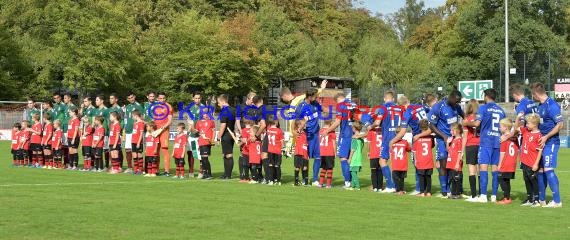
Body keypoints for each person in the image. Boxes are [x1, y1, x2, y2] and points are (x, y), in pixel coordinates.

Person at [463, 89, 505, 203]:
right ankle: (494, 196)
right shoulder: (501, 110)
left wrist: (467, 123)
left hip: (486, 141)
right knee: (495, 169)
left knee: (483, 168)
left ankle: (483, 196)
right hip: (497, 141)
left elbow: (476, 124)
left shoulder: (483, 108)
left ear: (486, 96)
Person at [530, 82, 563, 208]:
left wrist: (546, 137)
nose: (532, 97)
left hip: (551, 142)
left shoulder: (552, 105)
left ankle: (557, 201)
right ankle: (542, 200)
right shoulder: (540, 106)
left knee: (549, 169)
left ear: (536, 94)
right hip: (542, 142)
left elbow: (560, 125)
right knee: (541, 171)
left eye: (533, 95)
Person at [427, 89, 464, 197]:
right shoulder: (438, 107)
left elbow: (464, 116)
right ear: (451, 97)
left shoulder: (456, 107)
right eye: (455, 101)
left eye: (458, 102)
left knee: (456, 164)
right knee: (444, 163)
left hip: (455, 139)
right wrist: (443, 136)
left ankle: (457, 189)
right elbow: (431, 125)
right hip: (442, 139)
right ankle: (444, 189)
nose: (456, 103)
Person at [391, 95, 429, 195]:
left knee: (416, 162)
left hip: (418, 137)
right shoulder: (420, 106)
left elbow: (402, 132)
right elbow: (429, 111)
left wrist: (392, 141)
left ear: (402, 105)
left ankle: (419, 189)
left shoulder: (407, 112)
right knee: (426, 163)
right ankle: (426, 189)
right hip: (428, 136)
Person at [368, 90, 402, 193]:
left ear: (384, 99)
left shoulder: (383, 108)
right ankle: (399, 186)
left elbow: (377, 122)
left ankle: (390, 185)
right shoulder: (399, 108)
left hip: (388, 136)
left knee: (382, 161)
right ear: (393, 99)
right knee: (396, 161)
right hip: (398, 135)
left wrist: (371, 126)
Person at [321, 92, 354, 189]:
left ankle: (348, 182)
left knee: (343, 158)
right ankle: (352, 180)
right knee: (350, 158)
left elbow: (337, 121)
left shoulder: (341, 105)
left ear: (338, 100)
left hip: (345, 135)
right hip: (353, 133)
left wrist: (327, 130)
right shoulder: (353, 104)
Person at [294, 89, 323, 186]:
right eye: (315, 96)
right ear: (309, 96)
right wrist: (295, 132)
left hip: (316, 134)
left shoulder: (316, 103)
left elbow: (322, 110)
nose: (316, 97)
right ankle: (304, 179)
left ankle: (315, 179)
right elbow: (296, 121)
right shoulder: (301, 107)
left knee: (318, 157)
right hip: (306, 135)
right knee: (304, 158)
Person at [514, 113, 543, 207]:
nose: (526, 125)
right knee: (526, 180)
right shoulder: (526, 131)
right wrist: (518, 118)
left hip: (532, 162)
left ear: (535, 124)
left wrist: (536, 164)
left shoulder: (539, 136)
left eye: (528, 123)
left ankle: (537, 200)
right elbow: (515, 129)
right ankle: (530, 199)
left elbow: (540, 151)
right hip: (524, 161)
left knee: (533, 181)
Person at [462, 99, 481, 202]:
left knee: (471, 171)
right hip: (481, 145)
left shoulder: (466, 119)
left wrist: (461, 151)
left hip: (470, 146)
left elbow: (464, 137)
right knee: (480, 171)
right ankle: (481, 194)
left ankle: (474, 195)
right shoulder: (480, 117)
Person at [497, 118, 518, 205]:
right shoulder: (513, 137)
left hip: (506, 162)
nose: (499, 128)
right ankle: (507, 197)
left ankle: (506, 198)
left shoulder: (503, 138)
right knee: (506, 180)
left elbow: (502, 153)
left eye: (500, 126)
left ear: (505, 127)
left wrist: (499, 164)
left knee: (501, 179)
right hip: (512, 162)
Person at [217, 94, 237, 179]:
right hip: (232, 134)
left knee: (228, 155)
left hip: (226, 135)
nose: (218, 105)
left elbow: (223, 125)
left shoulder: (224, 111)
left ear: (223, 101)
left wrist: (218, 137)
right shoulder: (234, 110)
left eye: (219, 102)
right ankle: (226, 174)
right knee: (226, 154)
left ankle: (228, 175)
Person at [153, 92, 174, 176]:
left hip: (164, 131)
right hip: (156, 131)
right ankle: (156, 170)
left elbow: (169, 121)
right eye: (160, 98)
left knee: (164, 150)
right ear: (157, 99)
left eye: (164, 98)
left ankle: (167, 171)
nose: (162, 100)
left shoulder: (169, 107)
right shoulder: (155, 107)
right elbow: (154, 119)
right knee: (156, 150)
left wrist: (161, 129)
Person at [124, 92, 144, 174]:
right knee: (128, 150)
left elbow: (142, 118)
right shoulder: (127, 107)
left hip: (136, 132)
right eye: (129, 98)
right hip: (128, 131)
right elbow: (125, 118)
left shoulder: (138, 106)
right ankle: (130, 167)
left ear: (134, 97)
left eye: (132, 97)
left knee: (138, 152)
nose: (131, 99)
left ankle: (140, 169)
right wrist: (124, 130)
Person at [186, 91, 205, 178]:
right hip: (192, 134)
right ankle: (191, 171)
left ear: (201, 99)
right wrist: (189, 131)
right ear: (193, 98)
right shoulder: (190, 108)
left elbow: (204, 121)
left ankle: (201, 171)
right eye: (196, 98)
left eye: (199, 98)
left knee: (201, 152)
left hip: (199, 134)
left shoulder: (203, 108)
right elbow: (189, 120)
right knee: (191, 152)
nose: (197, 100)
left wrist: (200, 131)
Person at [413, 120, 434, 197]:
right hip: (429, 160)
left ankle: (422, 192)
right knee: (428, 177)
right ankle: (428, 192)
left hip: (420, 160)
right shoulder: (431, 137)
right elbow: (432, 146)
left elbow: (414, 150)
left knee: (421, 177)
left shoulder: (416, 138)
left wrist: (415, 160)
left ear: (419, 127)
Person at [193, 112, 215, 180]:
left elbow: (214, 131)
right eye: (204, 114)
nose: (205, 115)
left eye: (207, 114)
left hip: (207, 141)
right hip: (201, 142)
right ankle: (205, 173)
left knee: (205, 158)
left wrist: (213, 139)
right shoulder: (198, 122)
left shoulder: (211, 122)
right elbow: (195, 132)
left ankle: (209, 174)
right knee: (202, 159)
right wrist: (191, 125)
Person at [391, 127, 411, 195]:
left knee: (395, 178)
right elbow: (409, 149)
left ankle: (399, 190)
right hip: (403, 164)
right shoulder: (405, 142)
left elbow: (390, 151)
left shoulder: (392, 142)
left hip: (396, 164)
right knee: (401, 178)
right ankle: (401, 190)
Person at [93, 95, 110, 170]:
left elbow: (109, 121)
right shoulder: (96, 110)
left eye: (97, 100)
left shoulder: (106, 110)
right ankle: (98, 166)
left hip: (104, 133)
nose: (96, 101)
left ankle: (106, 166)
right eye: (96, 100)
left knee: (105, 149)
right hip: (97, 132)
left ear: (102, 101)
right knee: (97, 151)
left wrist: (108, 130)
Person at [446, 123, 464, 199]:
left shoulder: (459, 140)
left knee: (457, 179)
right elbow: (448, 150)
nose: (451, 131)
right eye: (451, 130)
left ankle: (457, 194)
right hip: (451, 163)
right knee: (453, 178)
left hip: (456, 164)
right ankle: (453, 193)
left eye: (453, 130)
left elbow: (460, 153)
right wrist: (447, 143)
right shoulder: (453, 140)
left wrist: (457, 163)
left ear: (458, 131)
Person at [265, 115, 284, 185]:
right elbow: (282, 142)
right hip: (277, 151)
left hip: (270, 150)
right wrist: (283, 148)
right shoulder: (279, 131)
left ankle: (271, 180)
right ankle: (278, 181)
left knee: (270, 165)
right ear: (276, 122)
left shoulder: (268, 129)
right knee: (277, 166)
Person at [318, 119, 336, 188]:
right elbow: (334, 143)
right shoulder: (331, 131)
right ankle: (328, 184)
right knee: (330, 168)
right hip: (329, 152)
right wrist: (335, 152)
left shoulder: (320, 131)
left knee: (323, 168)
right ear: (331, 122)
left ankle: (321, 183)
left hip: (322, 152)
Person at [347, 121, 364, 191]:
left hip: (354, 158)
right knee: (354, 171)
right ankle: (353, 186)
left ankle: (357, 186)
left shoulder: (354, 138)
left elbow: (353, 149)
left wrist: (349, 158)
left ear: (354, 128)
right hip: (359, 158)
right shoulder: (361, 139)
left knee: (353, 172)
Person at [292, 120, 309, 186]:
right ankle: (296, 182)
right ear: (298, 125)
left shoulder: (305, 132)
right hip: (298, 152)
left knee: (305, 167)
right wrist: (306, 120)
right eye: (301, 124)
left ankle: (305, 181)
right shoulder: (297, 132)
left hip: (304, 151)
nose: (303, 125)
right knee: (297, 167)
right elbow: (298, 126)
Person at [367, 123, 383, 192]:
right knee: (380, 171)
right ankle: (380, 187)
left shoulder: (371, 131)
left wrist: (368, 152)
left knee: (373, 171)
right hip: (381, 154)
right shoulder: (383, 130)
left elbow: (369, 143)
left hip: (373, 153)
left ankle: (375, 187)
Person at [131, 110, 145, 175]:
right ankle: (135, 169)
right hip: (133, 141)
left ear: (136, 116)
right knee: (134, 155)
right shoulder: (135, 123)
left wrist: (139, 142)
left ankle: (140, 169)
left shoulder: (141, 123)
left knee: (139, 155)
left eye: (132, 116)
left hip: (138, 142)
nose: (132, 118)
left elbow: (141, 134)